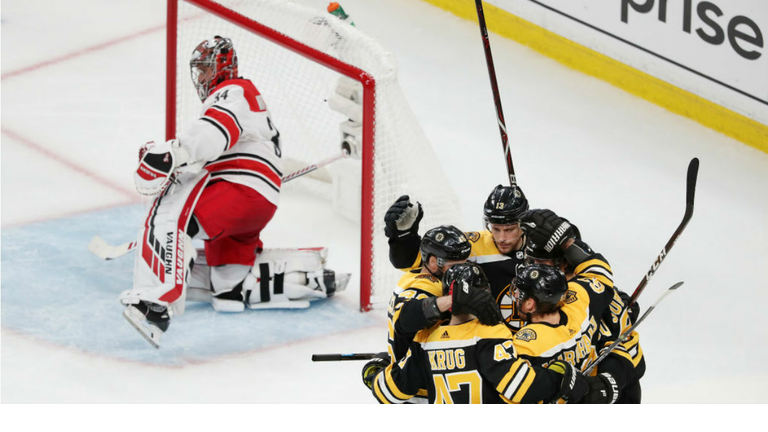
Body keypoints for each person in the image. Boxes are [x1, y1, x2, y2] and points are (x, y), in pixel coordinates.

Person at [119, 36, 342, 348]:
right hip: (259, 204)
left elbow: (213, 133)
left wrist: (171, 153)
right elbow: (218, 149)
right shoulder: (247, 100)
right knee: (226, 279)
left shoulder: (234, 91)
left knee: (172, 215)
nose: (200, 77)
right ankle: (232, 290)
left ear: (222, 67)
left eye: (204, 69)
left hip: (238, 192)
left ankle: (154, 303)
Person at [363, 262, 607, 404]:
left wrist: (375, 371)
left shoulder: (425, 339)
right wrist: (560, 377)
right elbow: (521, 388)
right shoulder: (490, 334)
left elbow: (388, 392)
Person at [513, 208, 646, 403]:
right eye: (530, 260)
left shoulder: (577, 296)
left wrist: (608, 384)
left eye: (540, 262)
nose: (532, 267)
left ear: (564, 263)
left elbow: (629, 355)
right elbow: (597, 271)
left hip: (610, 393)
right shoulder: (590, 285)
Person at [384, 185, 530, 331]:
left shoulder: (541, 246)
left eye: (509, 229)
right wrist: (403, 239)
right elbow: (412, 262)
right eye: (496, 229)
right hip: (487, 345)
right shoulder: (474, 244)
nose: (501, 238)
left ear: (523, 225)